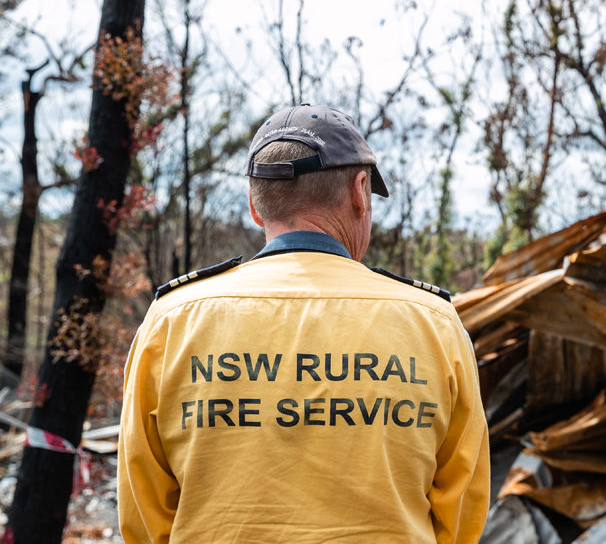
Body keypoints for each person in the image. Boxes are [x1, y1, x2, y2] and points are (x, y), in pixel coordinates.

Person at [118, 104, 490, 543]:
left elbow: (143, 514)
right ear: (359, 191)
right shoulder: (434, 324)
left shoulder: (172, 322)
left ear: (256, 209)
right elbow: (461, 510)